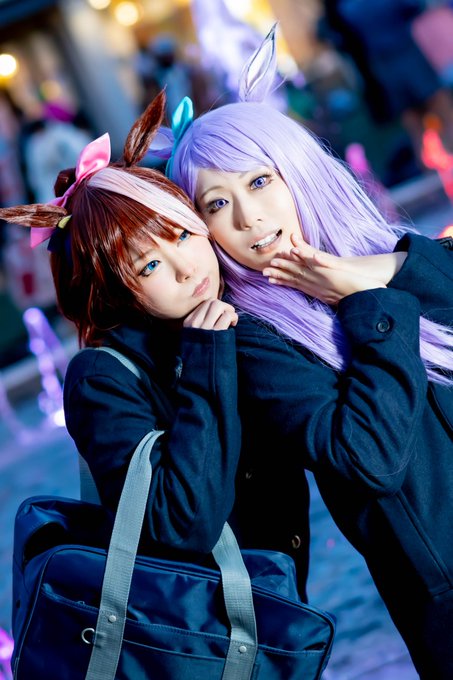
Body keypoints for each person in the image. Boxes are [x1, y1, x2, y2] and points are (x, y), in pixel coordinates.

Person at [159, 27, 453, 679]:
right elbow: (365, 459)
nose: (249, 218)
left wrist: (377, 273)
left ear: (298, 171)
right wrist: (366, 307)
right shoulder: (253, 338)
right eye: (218, 203)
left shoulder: (394, 253)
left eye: (260, 181)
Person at [0, 91, 244, 563]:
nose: (186, 269)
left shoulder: (229, 308)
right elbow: (180, 525)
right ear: (114, 292)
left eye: (181, 233)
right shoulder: (101, 379)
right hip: (201, 606)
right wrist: (206, 361)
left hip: (282, 595)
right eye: (148, 266)